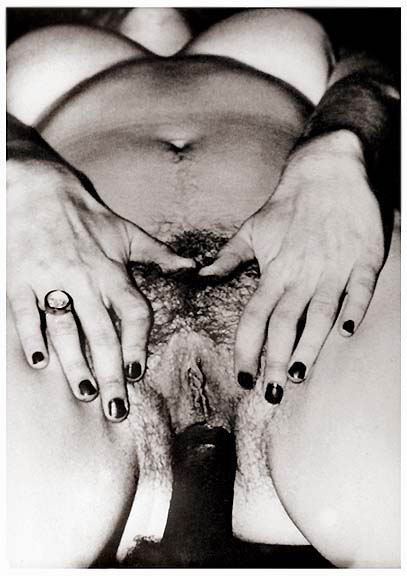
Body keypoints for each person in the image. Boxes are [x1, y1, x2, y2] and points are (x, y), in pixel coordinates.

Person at [6, 7, 400, 568]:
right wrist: (16, 166)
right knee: (25, 536)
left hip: (318, 289)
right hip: (68, 317)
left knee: (386, 511)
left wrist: (341, 144)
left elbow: (376, 73)